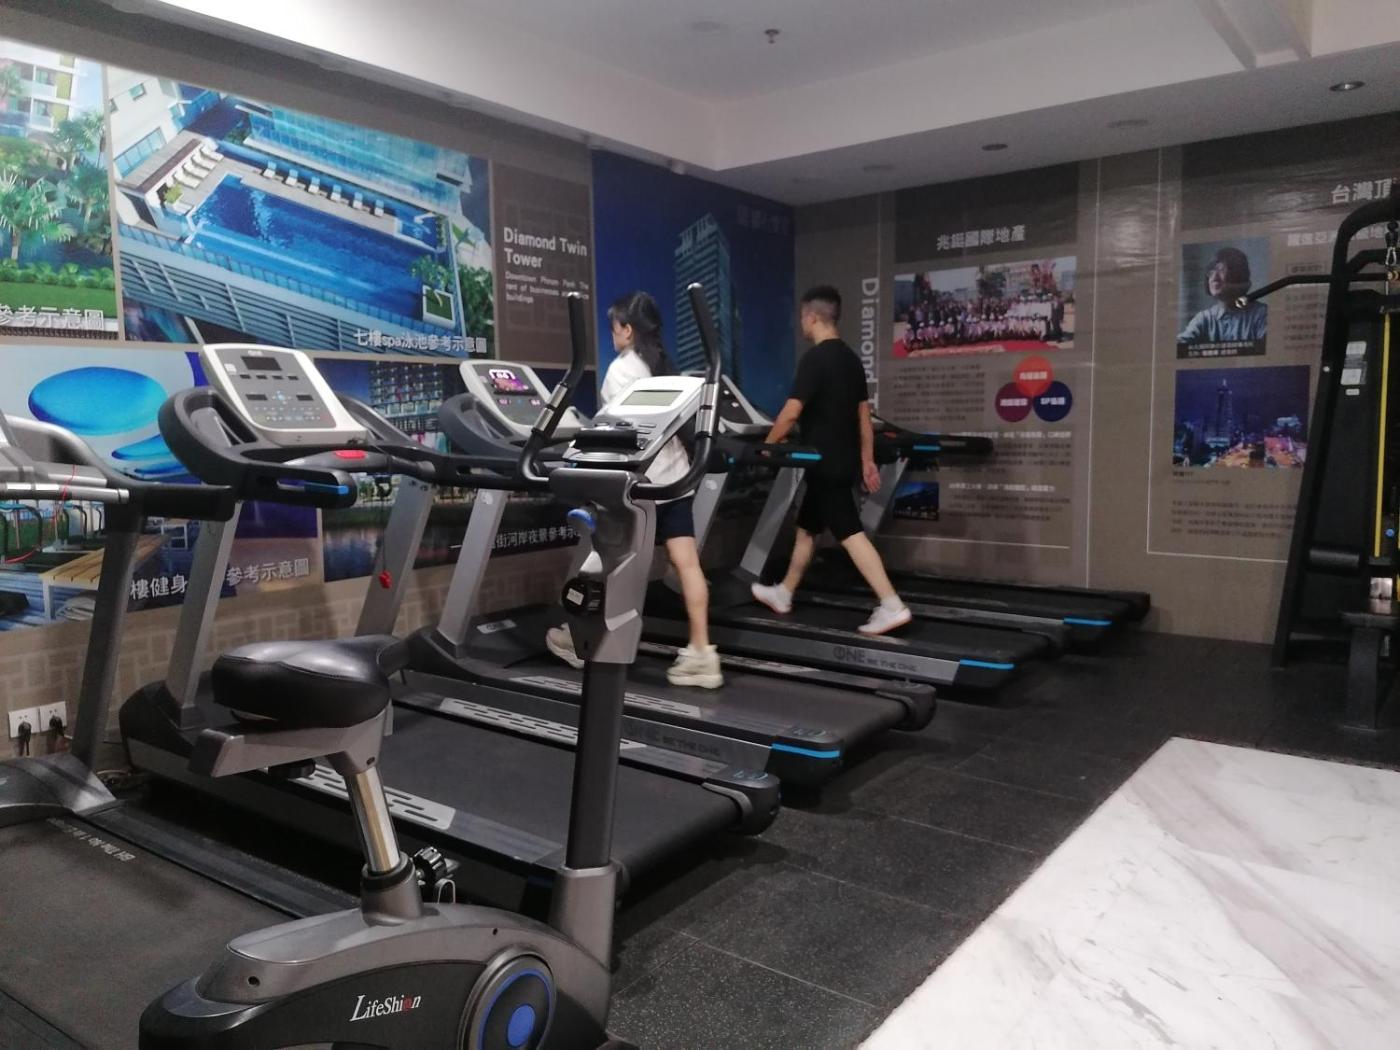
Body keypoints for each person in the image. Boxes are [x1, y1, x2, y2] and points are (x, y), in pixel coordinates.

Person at [545, 291, 723, 688]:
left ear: (627, 329)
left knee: (604, 561)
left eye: (614, 328)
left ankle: (583, 640)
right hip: (675, 482)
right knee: (687, 563)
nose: (612, 335)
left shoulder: (621, 371)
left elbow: (615, 434)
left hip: (637, 487)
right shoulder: (663, 366)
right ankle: (702, 653)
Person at [750, 286, 912, 636]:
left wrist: (767, 445)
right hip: (841, 461)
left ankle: (891, 604)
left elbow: (791, 412)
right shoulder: (851, 360)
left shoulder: (815, 359)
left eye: (802, 317)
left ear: (812, 317)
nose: (801, 323)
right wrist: (867, 461)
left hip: (824, 464)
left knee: (851, 534)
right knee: (808, 528)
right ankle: (784, 592)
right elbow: (864, 417)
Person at [1178, 246, 1269, 345]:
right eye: (1211, 272)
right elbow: (1179, 345)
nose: (1214, 278)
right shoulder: (1204, 318)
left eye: (1221, 269)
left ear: (1238, 275)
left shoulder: (1261, 314)